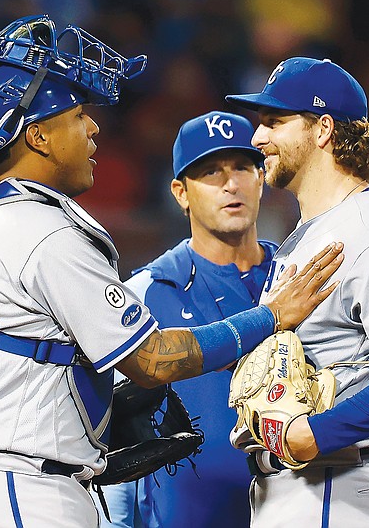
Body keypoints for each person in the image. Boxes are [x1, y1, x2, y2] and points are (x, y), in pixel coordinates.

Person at [0, 17, 344, 528]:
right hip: (22, 494)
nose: (93, 128)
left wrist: (63, 409)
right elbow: (152, 362)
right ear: (38, 135)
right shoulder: (47, 231)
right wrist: (268, 318)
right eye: (78, 114)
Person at [224, 57, 369, 527]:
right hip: (298, 489)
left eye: (275, 121)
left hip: (339, 488)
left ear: (323, 128)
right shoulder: (307, 233)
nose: (257, 137)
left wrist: (315, 434)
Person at [99, 111, 274, 527]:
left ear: (262, 178)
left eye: (242, 168)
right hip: (182, 511)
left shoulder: (295, 276)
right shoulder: (143, 293)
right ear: (181, 192)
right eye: (210, 172)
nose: (231, 184)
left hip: (294, 502)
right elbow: (110, 435)